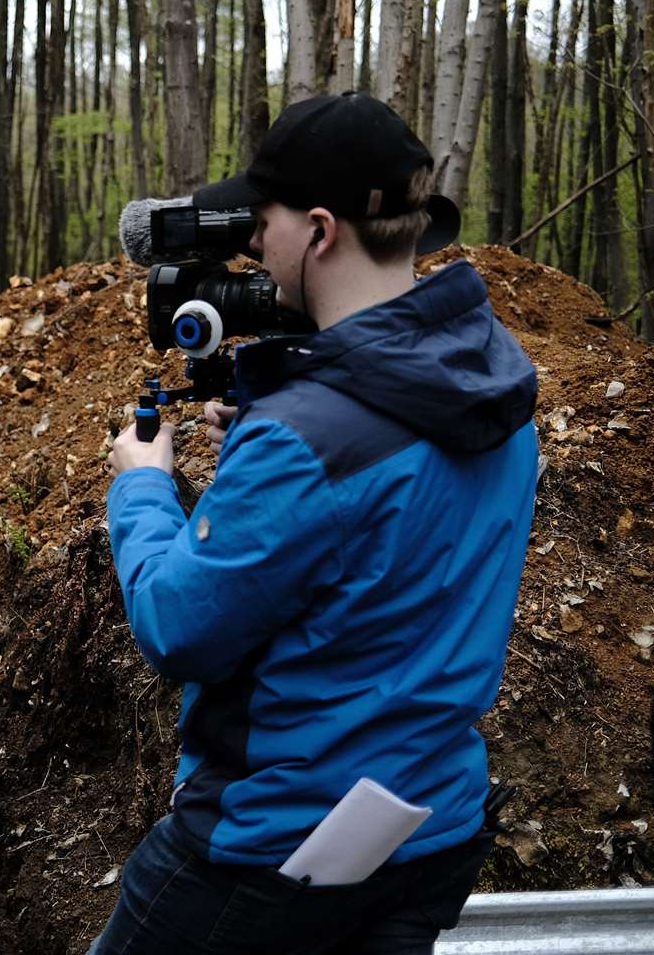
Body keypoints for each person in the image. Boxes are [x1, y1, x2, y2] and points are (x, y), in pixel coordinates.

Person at [92, 93, 539, 954]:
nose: (253, 244)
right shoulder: (496, 384)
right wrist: (266, 451)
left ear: (320, 231)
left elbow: (176, 627)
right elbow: (385, 543)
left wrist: (143, 486)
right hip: (430, 828)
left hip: (272, 849)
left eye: (263, 222)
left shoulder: (306, 442)